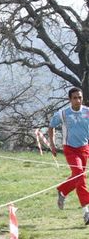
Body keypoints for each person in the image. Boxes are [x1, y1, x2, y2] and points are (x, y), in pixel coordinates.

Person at [48, 87, 89, 225]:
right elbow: (51, 126)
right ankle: (86, 211)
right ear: (70, 99)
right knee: (79, 175)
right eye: (75, 98)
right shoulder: (63, 114)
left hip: (84, 148)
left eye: (80, 97)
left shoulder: (87, 112)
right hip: (70, 149)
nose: (78, 100)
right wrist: (52, 145)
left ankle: (62, 190)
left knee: (78, 175)